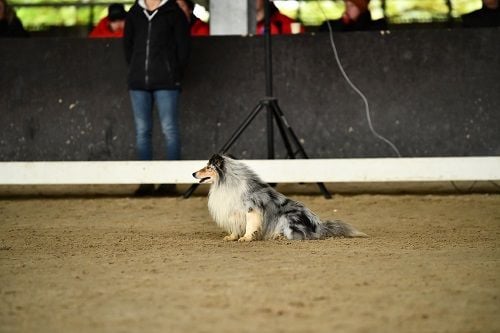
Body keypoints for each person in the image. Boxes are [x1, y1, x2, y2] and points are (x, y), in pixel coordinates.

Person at [124, 0, 190, 197]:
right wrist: (136, 70)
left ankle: (170, 181)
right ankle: (146, 181)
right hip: (138, 82)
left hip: (167, 82)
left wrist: (174, 73)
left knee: (169, 130)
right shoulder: (135, 12)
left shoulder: (173, 13)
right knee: (142, 132)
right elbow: (128, 46)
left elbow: (184, 47)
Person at [319, 0, 387, 32]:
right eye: (346, 5)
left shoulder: (377, 26)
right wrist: (343, 23)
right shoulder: (334, 25)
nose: (347, 9)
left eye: (351, 6)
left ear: (360, 9)